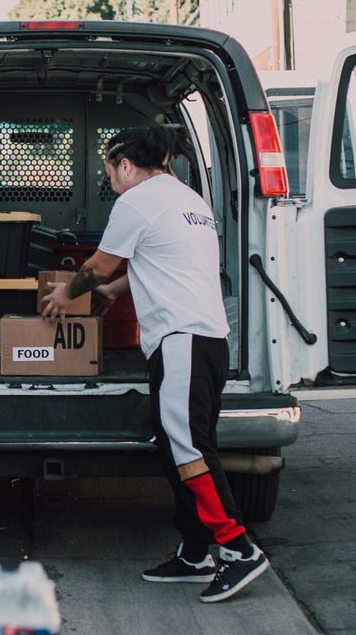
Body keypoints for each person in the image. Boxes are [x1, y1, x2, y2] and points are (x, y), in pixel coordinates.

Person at [42, 126, 269, 604]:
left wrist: (67, 292)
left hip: (181, 340)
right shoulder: (188, 201)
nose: (111, 181)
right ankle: (193, 551)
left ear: (125, 165)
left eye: (109, 172)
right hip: (203, 340)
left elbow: (98, 266)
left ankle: (238, 549)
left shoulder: (137, 201)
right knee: (176, 447)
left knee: (188, 450)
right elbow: (162, 264)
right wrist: (114, 292)